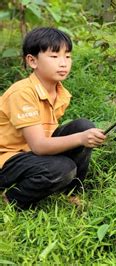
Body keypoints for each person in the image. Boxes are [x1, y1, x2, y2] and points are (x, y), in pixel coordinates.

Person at [0, 27, 106, 209]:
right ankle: (12, 199)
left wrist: (83, 135)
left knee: (83, 125)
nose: (63, 63)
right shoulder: (22, 93)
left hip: (30, 153)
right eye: (54, 56)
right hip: (7, 159)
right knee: (63, 167)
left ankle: (70, 193)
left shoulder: (60, 92)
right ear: (32, 61)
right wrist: (81, 138)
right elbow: (40, 146)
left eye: (68, 56)